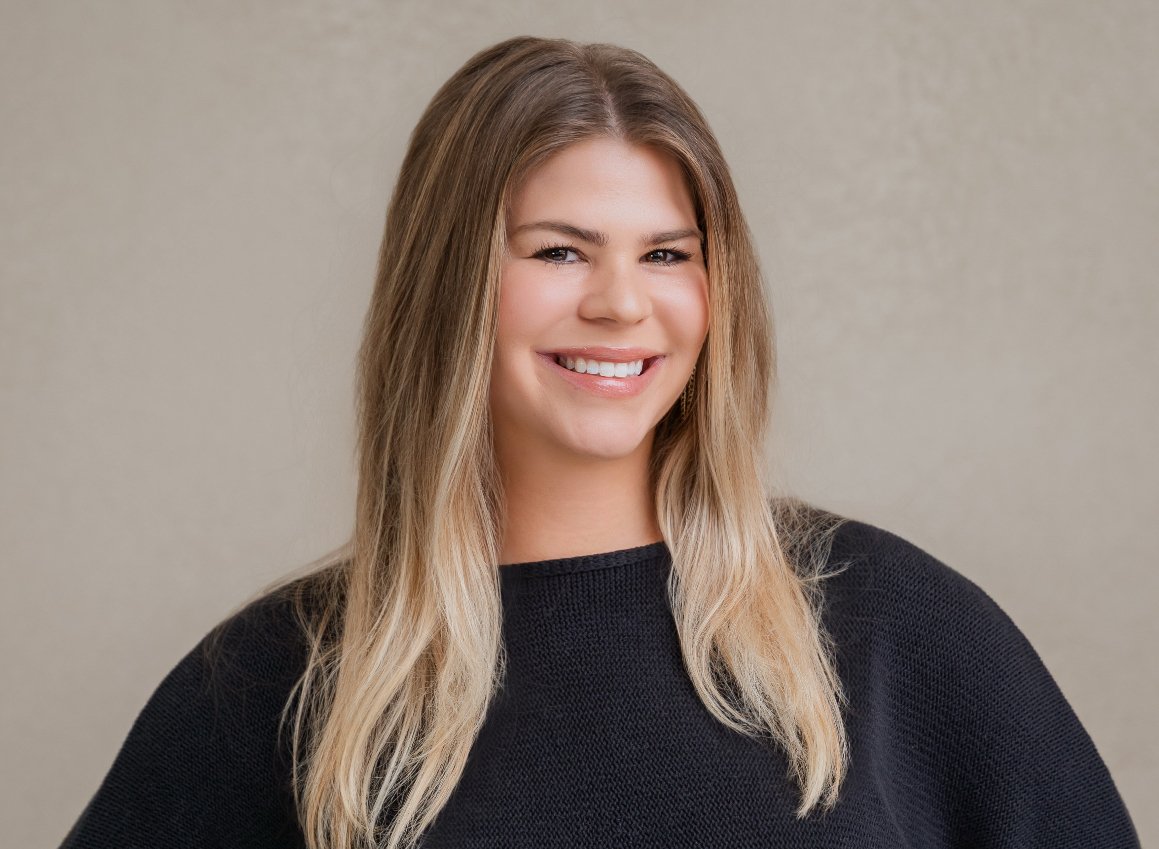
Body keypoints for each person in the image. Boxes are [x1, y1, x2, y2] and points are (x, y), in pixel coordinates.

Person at [60, 36, 1138, 849]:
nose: (623, 304)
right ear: (446, 288)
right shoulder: (278, 682)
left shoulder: (887, 627)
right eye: (560, 251)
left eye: (668, 254)